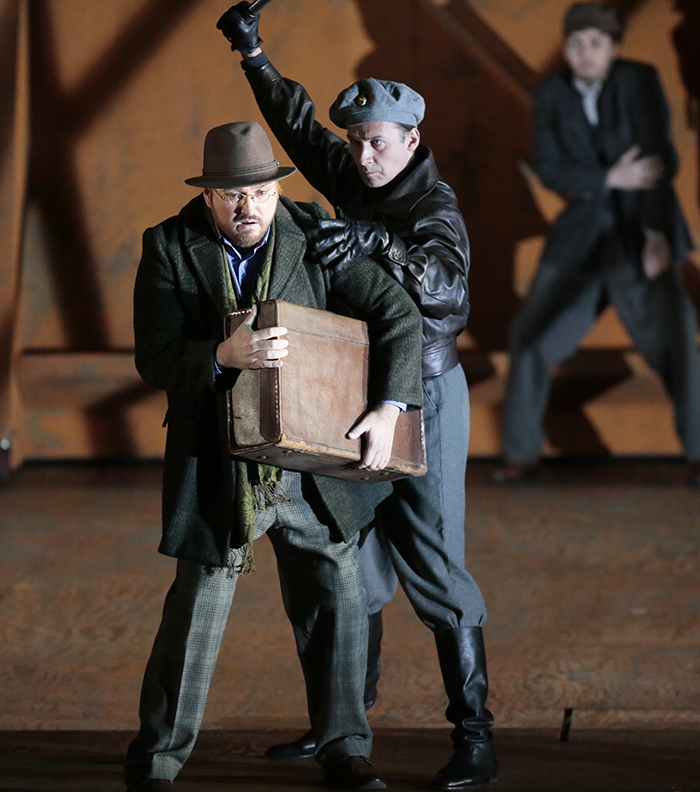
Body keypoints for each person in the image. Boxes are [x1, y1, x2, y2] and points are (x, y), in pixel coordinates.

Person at [215, 6, 498, 790]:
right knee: (353, 561)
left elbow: (445, 286)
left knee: (436, 565)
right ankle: (347, 727)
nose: (363, 156)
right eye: (358, 143)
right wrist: (254, 54)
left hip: (429, 395)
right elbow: (302, 129)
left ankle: (475, 737)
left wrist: (378, 242)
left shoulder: (431, 206)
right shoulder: (353, 169)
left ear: (412, 142)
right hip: (360, 389)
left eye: (379, 143)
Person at [124, 121, 424, 792]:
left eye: (259, 192)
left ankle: (346, 748)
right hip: (220, 464)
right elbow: (155, 356)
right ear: (208, 198)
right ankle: (158, 759)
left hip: (310, 468)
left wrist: (390, 407)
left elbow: (398, 314)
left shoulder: (314, 233)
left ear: (275, 190)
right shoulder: (170, 246)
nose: (248, 208)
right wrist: (218, 358)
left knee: (338, 599)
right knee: (197, 605)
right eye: (232, 197)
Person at [490, 1, 700, 485]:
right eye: (576, 43)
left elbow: (657, 161)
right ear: (566, 48)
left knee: (676, 343)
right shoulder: (552, 94)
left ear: (614, 47)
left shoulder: (637, 80)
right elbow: (550, 168)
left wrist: (655, 236)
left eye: (596, 43)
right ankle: (520, 457)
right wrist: (609, 177)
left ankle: (698, 455)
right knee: (533, 339)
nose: (585, 53)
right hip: (580, 243)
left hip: (640, 234)